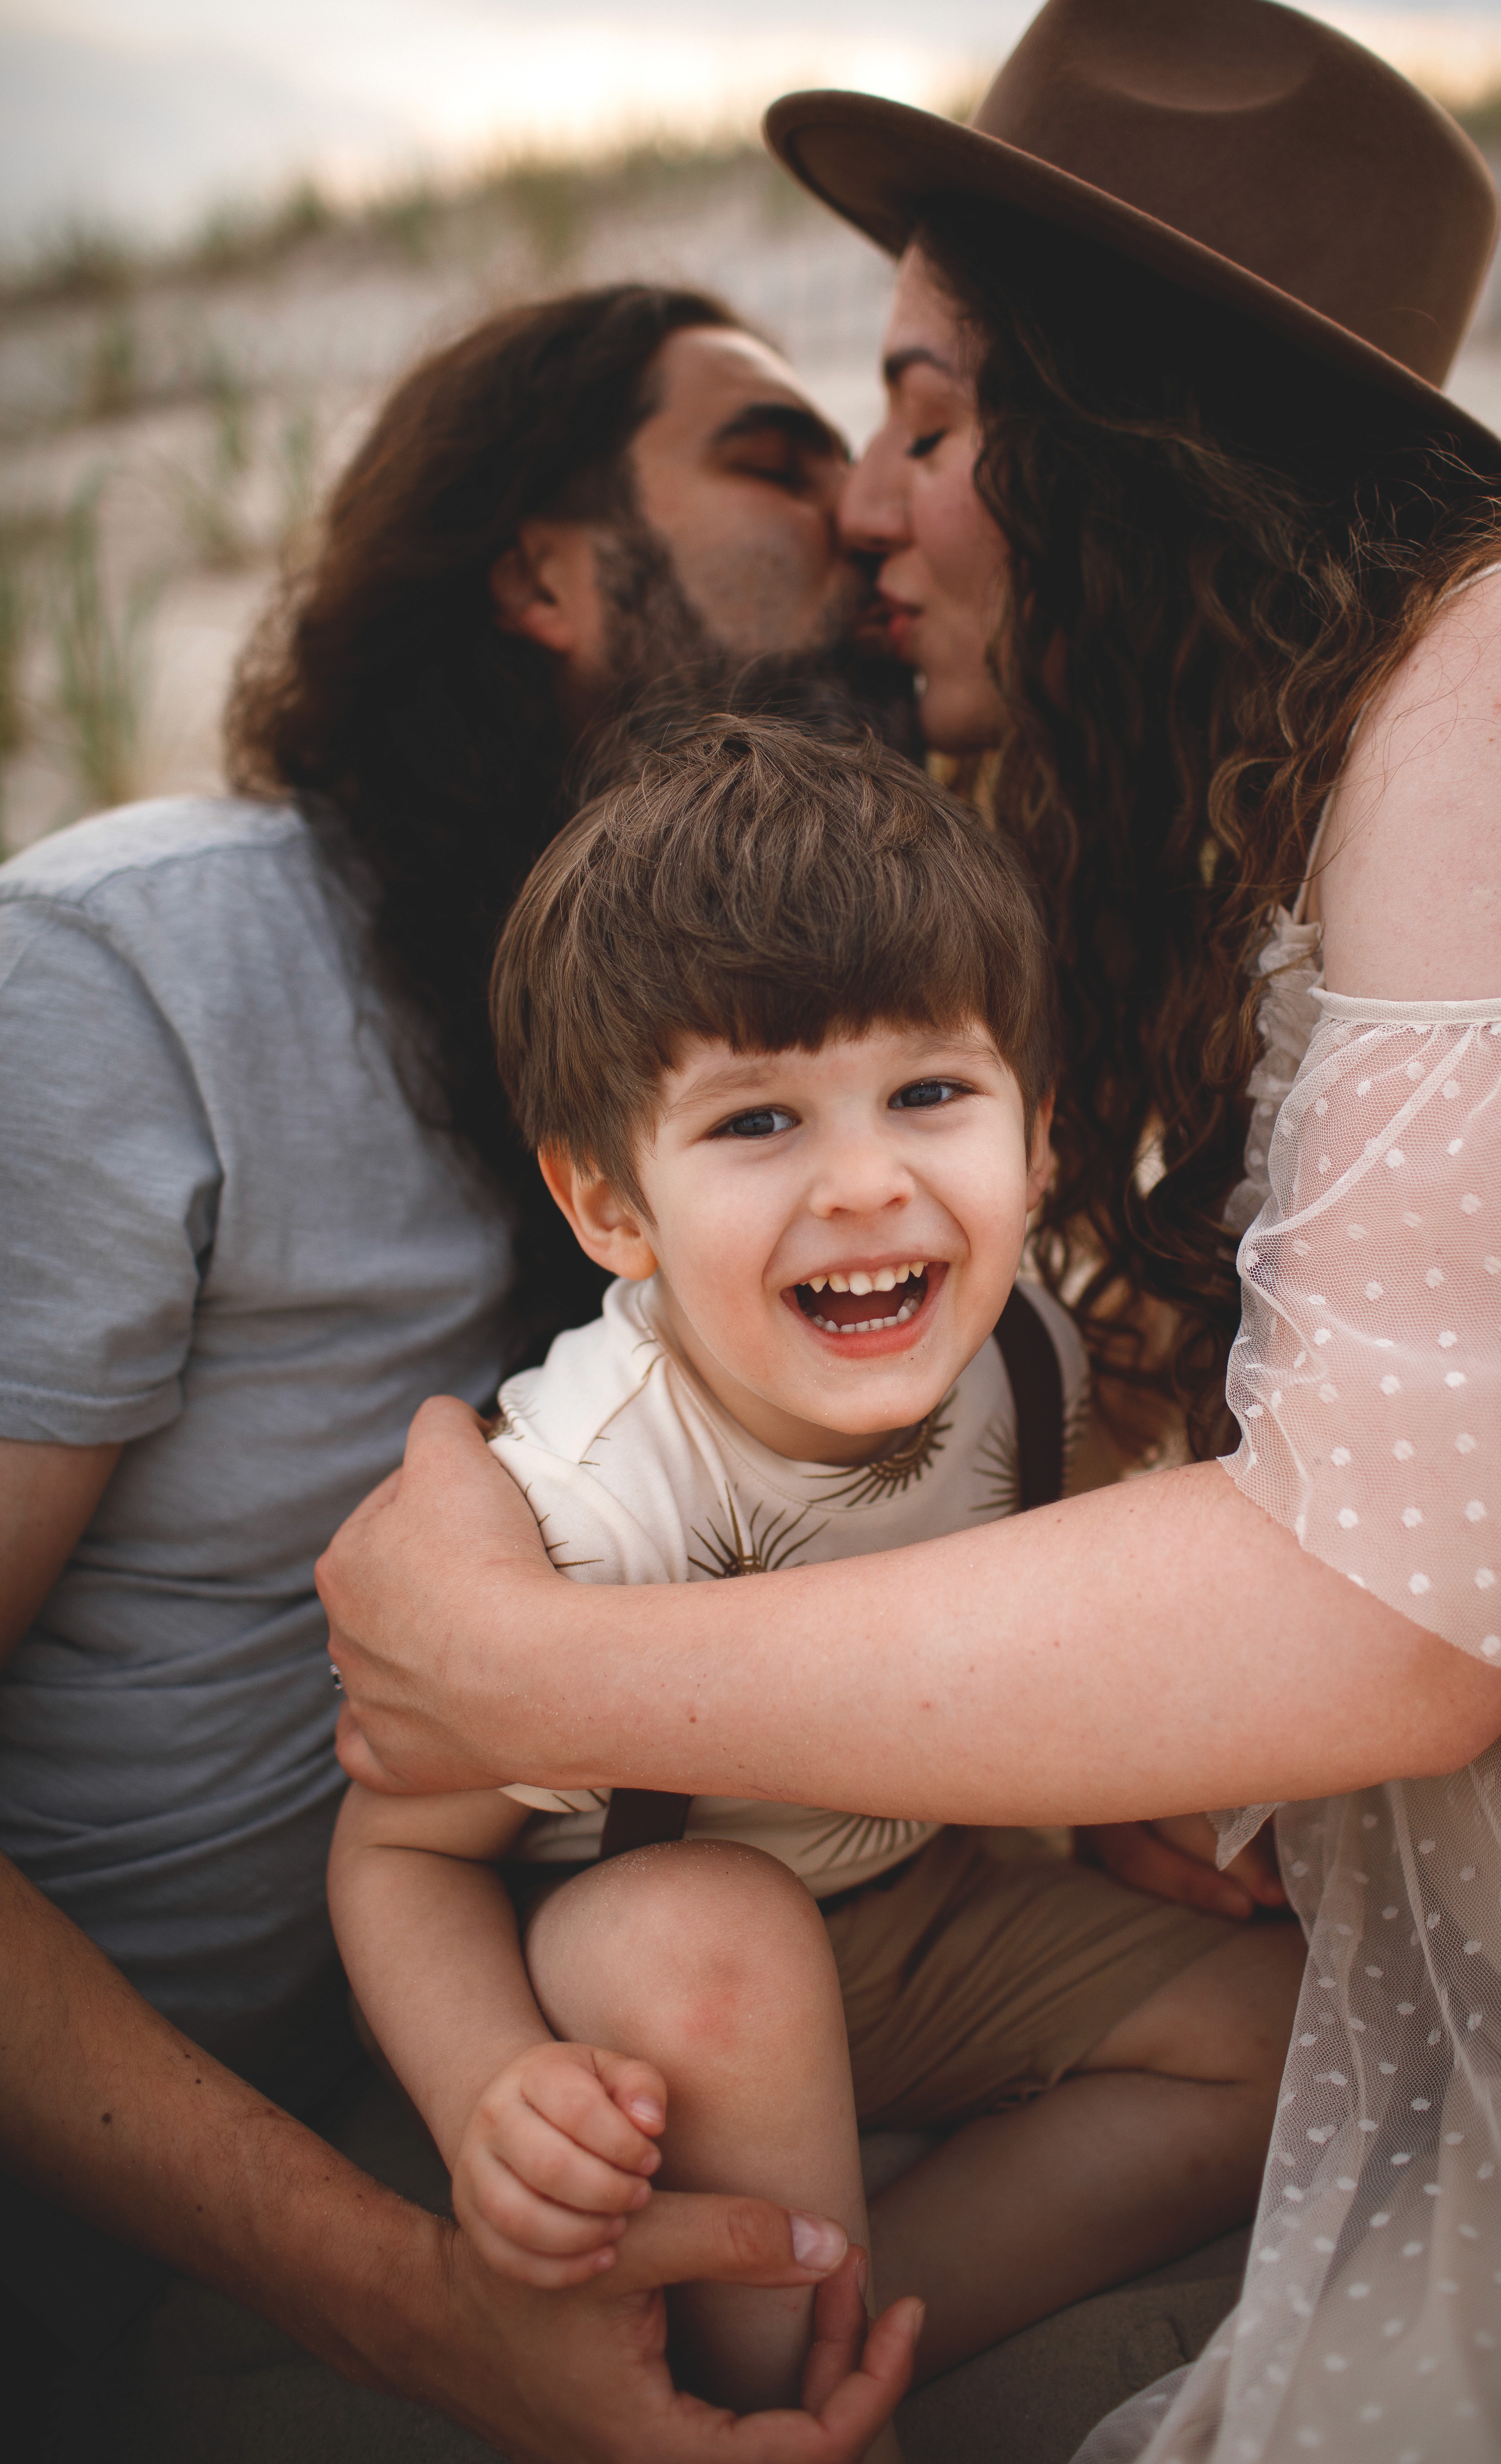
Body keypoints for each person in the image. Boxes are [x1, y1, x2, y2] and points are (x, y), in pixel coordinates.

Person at [319, 5, 1501, 2458]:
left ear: (1143, 446)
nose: (867, 508)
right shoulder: (1300, 798)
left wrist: (522, 1673)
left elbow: (1389, 1604)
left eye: (931, 420)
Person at [0, 282, 917, 2461]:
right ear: (541, 571)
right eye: (777, 457)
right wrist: (413, 2303)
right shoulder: (137, 978)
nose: (871, 512)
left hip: (472, 2057)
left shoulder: (749, 1035)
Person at [328, 715, 1303, 2434]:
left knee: (1281, 2031)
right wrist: (495, 2090)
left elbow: (1044, 1605)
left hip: (925, 1905)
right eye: (758, 1120)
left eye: (931, 1093)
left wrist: (1107, 1812)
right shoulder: (587, 1504)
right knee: (705, 1924)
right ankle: (754, 2397)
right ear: (609, 1204)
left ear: (1036, 1126)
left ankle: (843, 2315)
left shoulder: (1027, 1359)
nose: (867, 1181)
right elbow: (397, 1844)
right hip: (662, 1991)